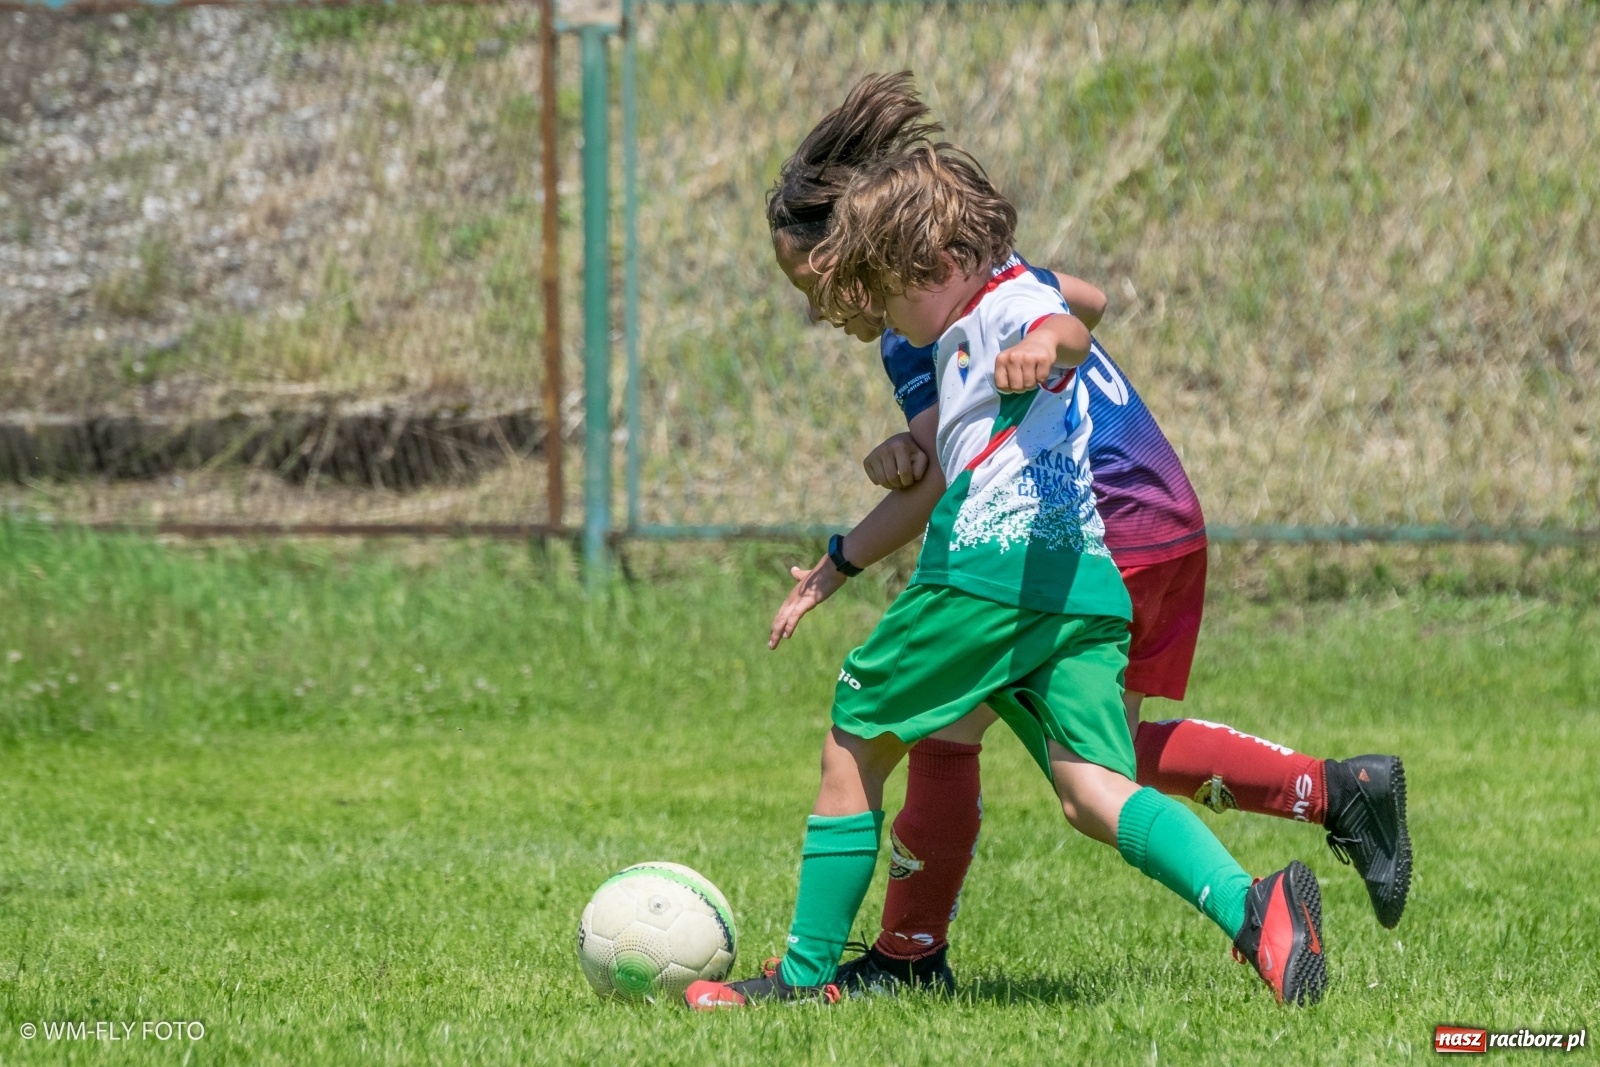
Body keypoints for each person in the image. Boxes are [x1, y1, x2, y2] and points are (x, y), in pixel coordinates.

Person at [758, 72, 1409, 997]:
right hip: (1120, 521)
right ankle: (1309, 827)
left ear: (868, 240)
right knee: (1080, 765)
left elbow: (1036, 355)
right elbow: (986, 402)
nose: (821, 305)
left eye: (817, 280)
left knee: (949, 729)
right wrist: (898, 469)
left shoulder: (933, 308)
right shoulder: (971, 277)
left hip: (1089, 520)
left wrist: (858, 540)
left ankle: (879, 962)